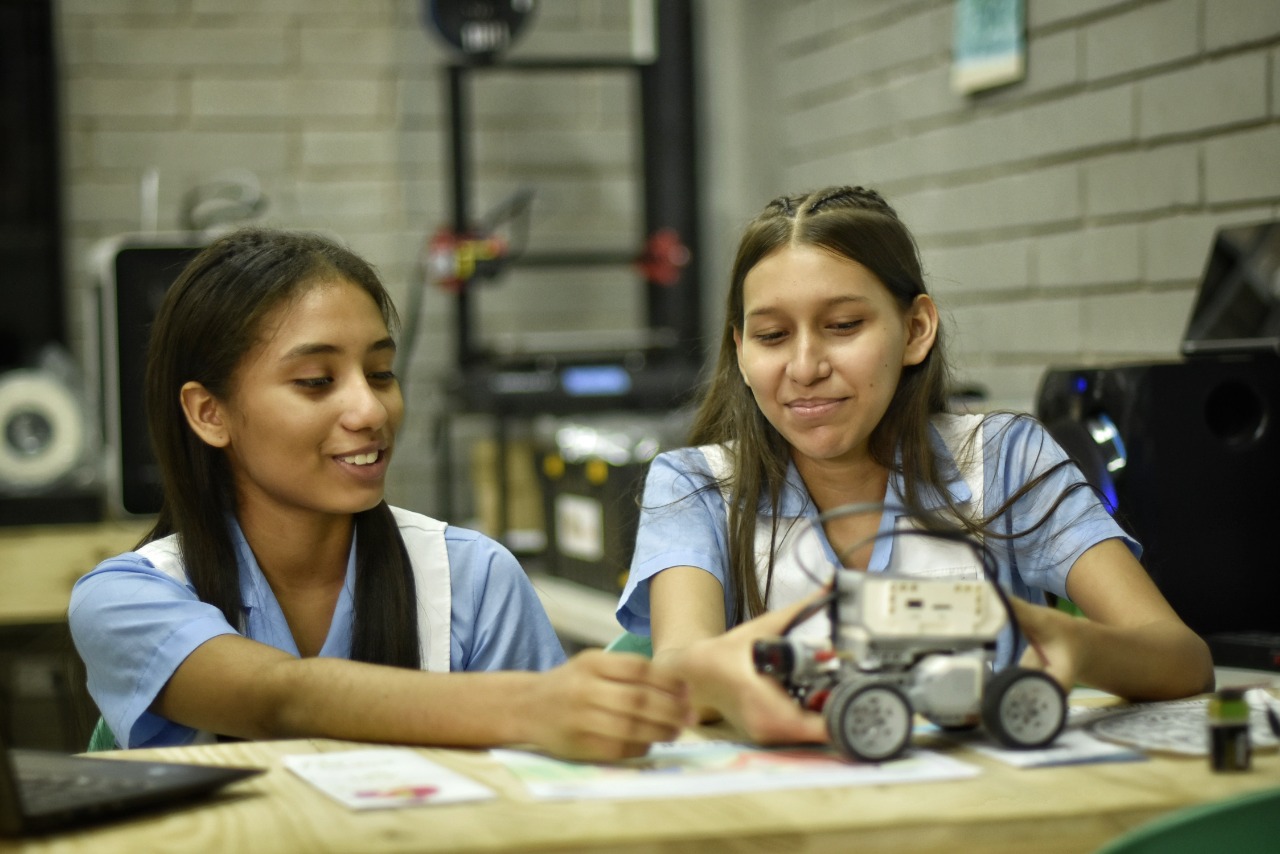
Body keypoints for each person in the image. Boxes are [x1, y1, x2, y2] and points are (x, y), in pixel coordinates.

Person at [616, 185, 1214, 745]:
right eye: (772, 335)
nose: (804, 366)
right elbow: (676, 676)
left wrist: (1079, 646)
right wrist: (722, 673)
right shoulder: (694, 485)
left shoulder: (1007, 458)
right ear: (741, 352)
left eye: (844, 326)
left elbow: (1183, 661)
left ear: (916, 329)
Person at [69, 227, 690, 760]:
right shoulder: (124, 600)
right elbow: (278, 699)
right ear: (209, 413)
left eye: (381, 372)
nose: (369, 409)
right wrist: (534, 703)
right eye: (316, 381)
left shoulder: (473, 579)